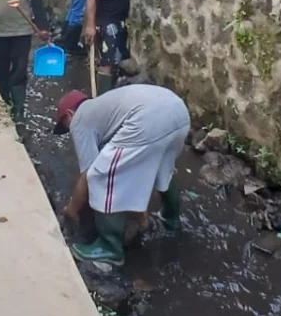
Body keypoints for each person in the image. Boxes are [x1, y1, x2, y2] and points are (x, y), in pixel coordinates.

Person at [54, 84, 190, 267]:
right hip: (179, 113)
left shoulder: (80, 120)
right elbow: (136, 174)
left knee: (102, 176)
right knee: (161, 169)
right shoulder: (106, 108)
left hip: (148, 120)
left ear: (69, 114)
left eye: (66, 127)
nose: (70, 132)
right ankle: (170, 220)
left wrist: (71, 211)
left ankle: (109, 249)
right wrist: (142, 217)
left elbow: (88, 175)